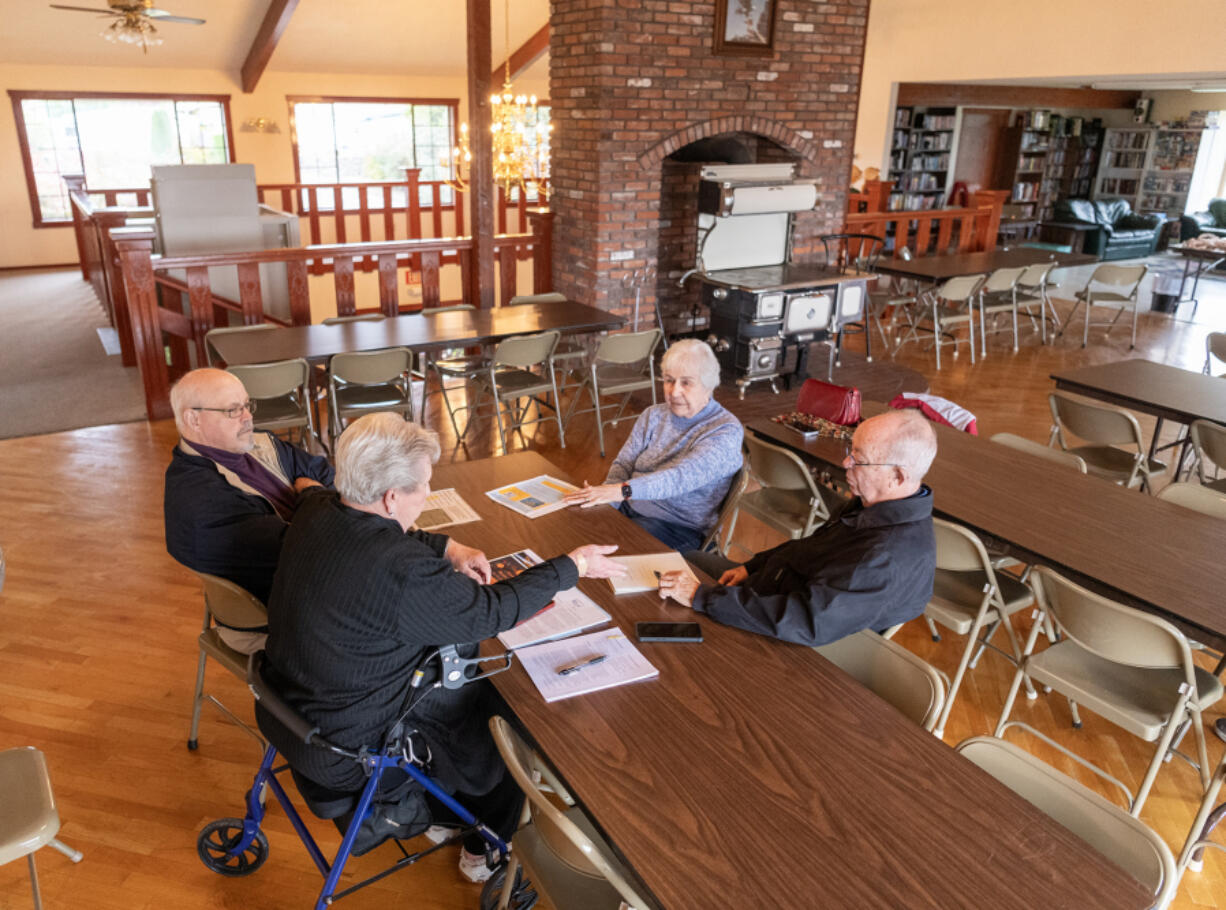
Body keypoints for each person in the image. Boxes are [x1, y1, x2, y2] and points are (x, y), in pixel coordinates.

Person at [263, 411, 624, 882]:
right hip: (352, 751)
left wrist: (448, 549)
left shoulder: (319, 509)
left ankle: (444, 812)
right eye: (423, 486)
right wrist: (570, 566)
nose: (428, 494)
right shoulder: (400, 572)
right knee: (505, 719)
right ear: (392, 497)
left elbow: (384, 534)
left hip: (290, 711)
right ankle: (483, 842)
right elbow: (492, 611)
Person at [657, 409, 938, 647]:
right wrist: (753, 567)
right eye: (850, 452)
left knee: (677, 615)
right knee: (689, 562)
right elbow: (808, 549)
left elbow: (803, 620)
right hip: (774, 590)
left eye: (859, 460)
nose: (845, 463)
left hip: (788, 634)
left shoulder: (883, 558)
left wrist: (701, 596)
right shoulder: (874, 504)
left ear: (897, 476)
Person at [163, 368, 334, 651]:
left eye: (247, 405)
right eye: (233, 410)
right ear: (193, 418)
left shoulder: (258, 444)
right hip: (277, 618)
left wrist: (312, 498)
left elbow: (326, 474)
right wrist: (311, 493)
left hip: (311, 583)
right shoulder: (201, 499)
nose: (248, 417)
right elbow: (302, 548)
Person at [565, 338, 743, 551]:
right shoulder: (653, 414)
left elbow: (679, 478)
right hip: (629, 506)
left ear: (708, 385)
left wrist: (619, 492)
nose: (674, 391)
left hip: (677, 526)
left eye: (686, 382)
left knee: (608, 557)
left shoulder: (725, 430)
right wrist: (607, 503)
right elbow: (624, 464)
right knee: (570, 531)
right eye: (669, 380)